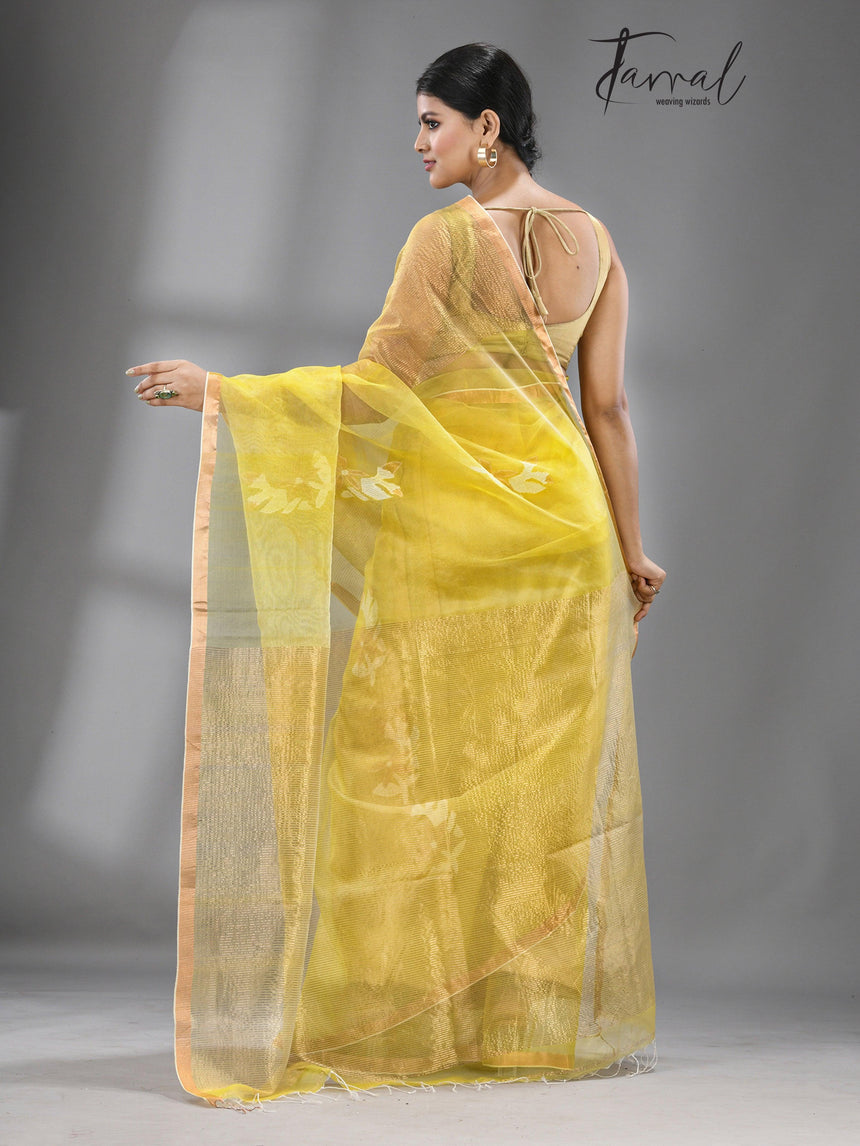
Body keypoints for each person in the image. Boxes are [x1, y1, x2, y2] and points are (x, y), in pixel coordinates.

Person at [127, 43, 666, 1107]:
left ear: (485, 128)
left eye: (431, 121)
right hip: (567, 535)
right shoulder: (597, 241)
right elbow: (606, 409)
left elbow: (377, 390)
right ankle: (521, 1028)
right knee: (533, 797)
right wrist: (630, 547)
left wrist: (224, 394)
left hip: (456, 537)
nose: (417, 143)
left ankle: (405, 1022)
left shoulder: (444, 238)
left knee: (410, 768)